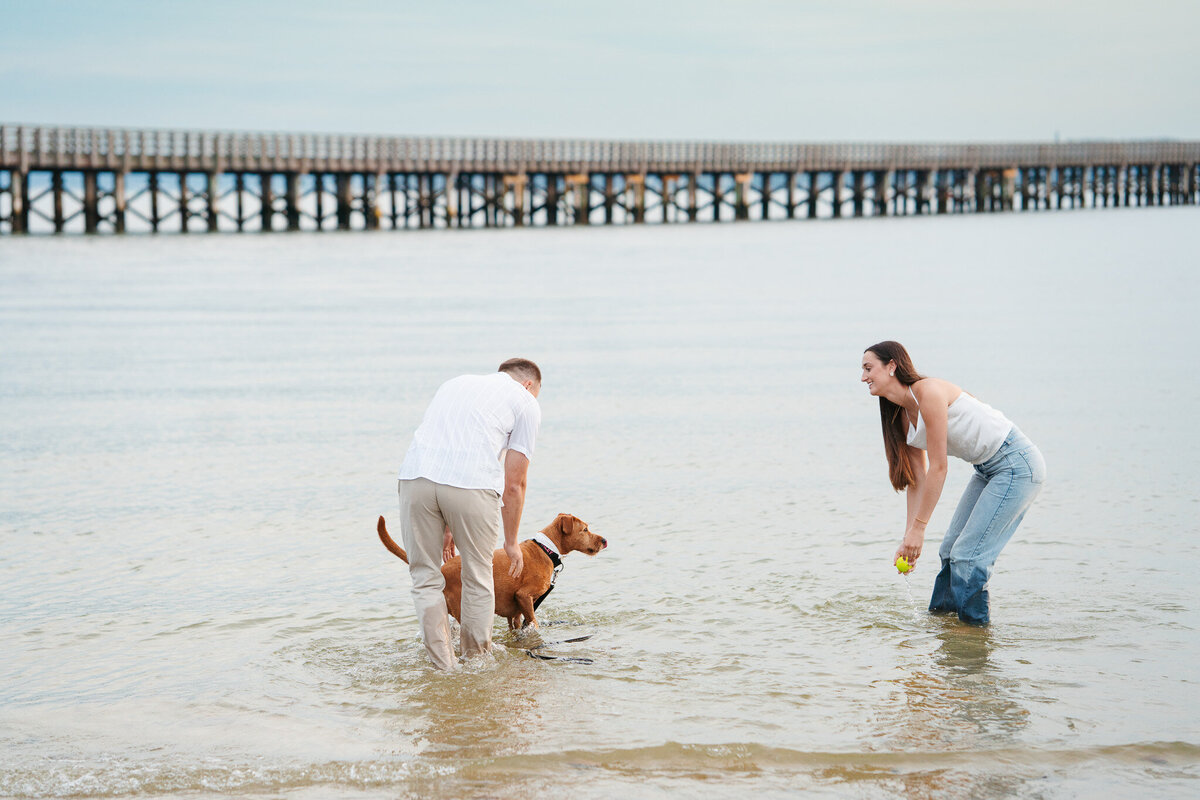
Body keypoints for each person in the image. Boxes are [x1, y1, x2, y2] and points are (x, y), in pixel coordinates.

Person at [861, 341, 1045, 626]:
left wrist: (920, 529)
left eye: (868, 368)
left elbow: (939, 468)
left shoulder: (929, 392)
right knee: (950, 551)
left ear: (892, 366)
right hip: (986, 469)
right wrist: (909, 537)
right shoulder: (901, 415)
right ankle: (944, 628)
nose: (864, 377)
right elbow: (917, 479)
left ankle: (973, 639)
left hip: (1016, 465)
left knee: (968, 557)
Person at [397, 358, 542, 670]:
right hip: (472, 486)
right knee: (477, 577)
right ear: (529, 385)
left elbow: (447, 448)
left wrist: (448, 522)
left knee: (425, 579)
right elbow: (514, 483)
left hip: (414, 478)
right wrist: (512, 542)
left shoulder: (454, 383)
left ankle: (442, 667)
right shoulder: (526, 402)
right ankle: (476, 665)